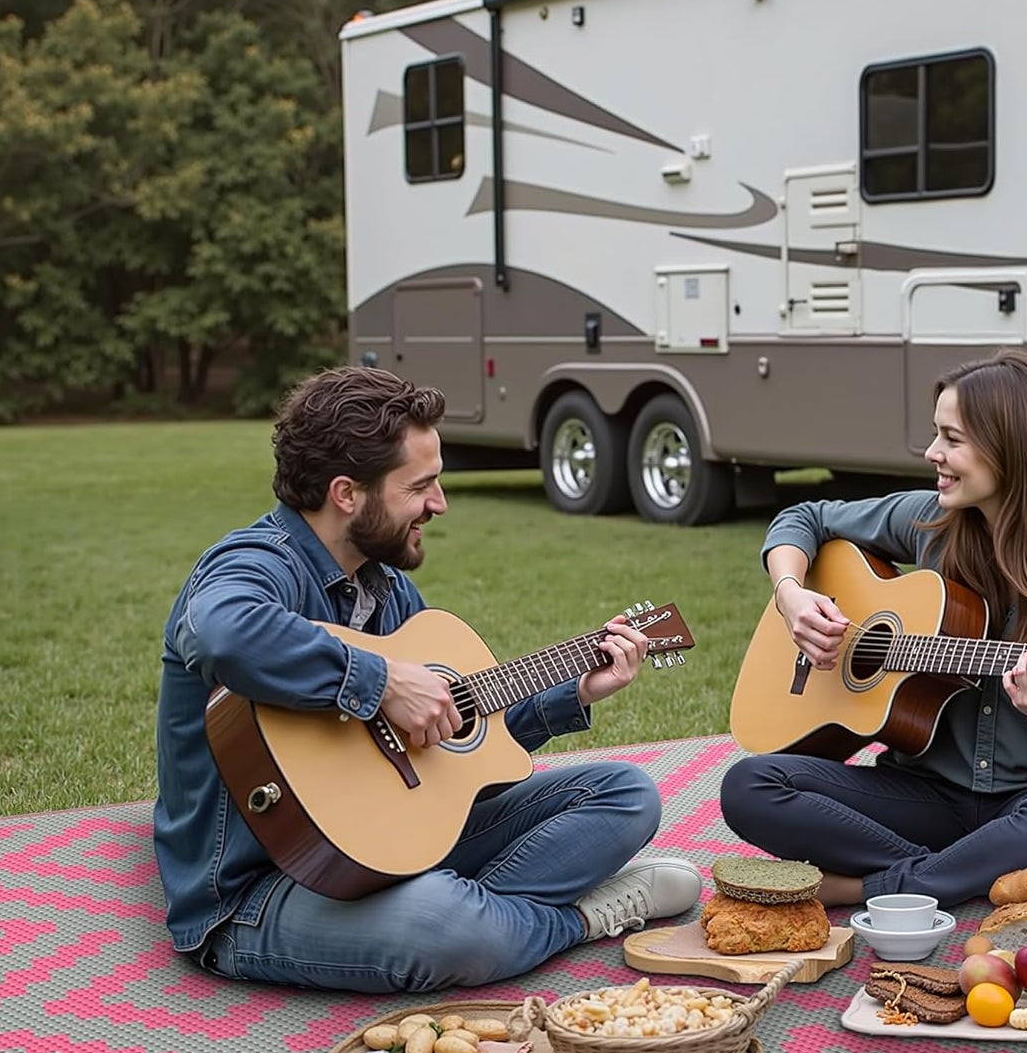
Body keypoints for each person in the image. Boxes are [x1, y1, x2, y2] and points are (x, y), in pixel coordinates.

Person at [154, 365, 700, 993]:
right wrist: (380, 680)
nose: (439, 504)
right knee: (441, 924)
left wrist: (574, 689)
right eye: (421, 486)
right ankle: (574, 917)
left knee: (626, 793)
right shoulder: (253, 564)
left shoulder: (386, 588)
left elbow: (458, 731)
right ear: (345, 493)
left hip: (393, 842)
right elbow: (223, 632)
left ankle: (483, 913)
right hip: (256, 890)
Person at [720, 350, 1027, 910]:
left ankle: (868, 887)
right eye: (937, 435)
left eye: (952, 439)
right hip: (926, 795)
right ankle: (965, 871)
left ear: (1014, 449)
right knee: (749, 787)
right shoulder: (931, 521)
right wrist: (792, 597)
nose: (932, 454)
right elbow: (804, 518)